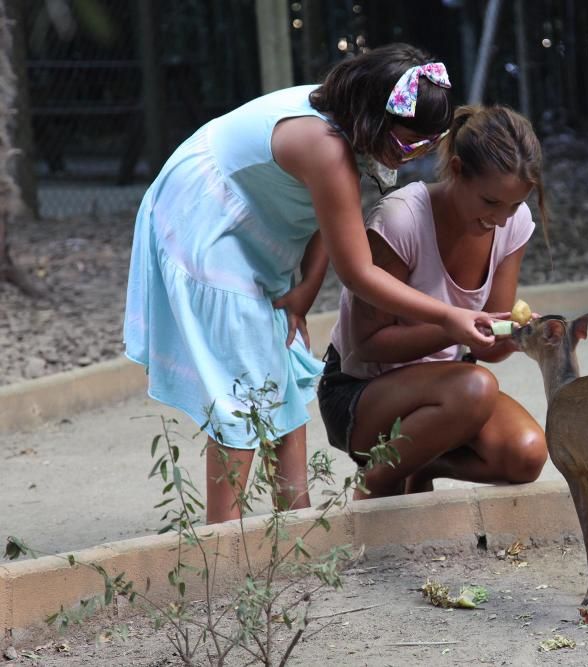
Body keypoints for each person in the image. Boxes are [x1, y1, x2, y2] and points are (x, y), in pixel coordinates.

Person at [123, 44, 497, 524]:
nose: (414, 157)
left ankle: (294, 515)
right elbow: (359, 272)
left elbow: (330, 217)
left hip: (250, 229)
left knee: (276, 359)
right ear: (373, 116)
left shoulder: (349, 125)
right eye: (408, 145)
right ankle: (222, 533)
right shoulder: (325, 146)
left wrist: (304, 290)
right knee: (239, 386)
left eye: (429, 147)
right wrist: (448, 315)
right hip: (202, 221)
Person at [317, 105, 550, 499]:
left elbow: (487, 344)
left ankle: (418, 461)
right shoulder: (401, 219)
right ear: (457, 170)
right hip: (362, 393)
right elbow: (366, 344)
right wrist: (449, 327)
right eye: (491, 202)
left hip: (450, 393)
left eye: (514, 205)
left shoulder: (513, 224)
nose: (502, 218)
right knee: (476, 386)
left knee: (526, 455)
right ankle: (373, 485)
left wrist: (515, 336)